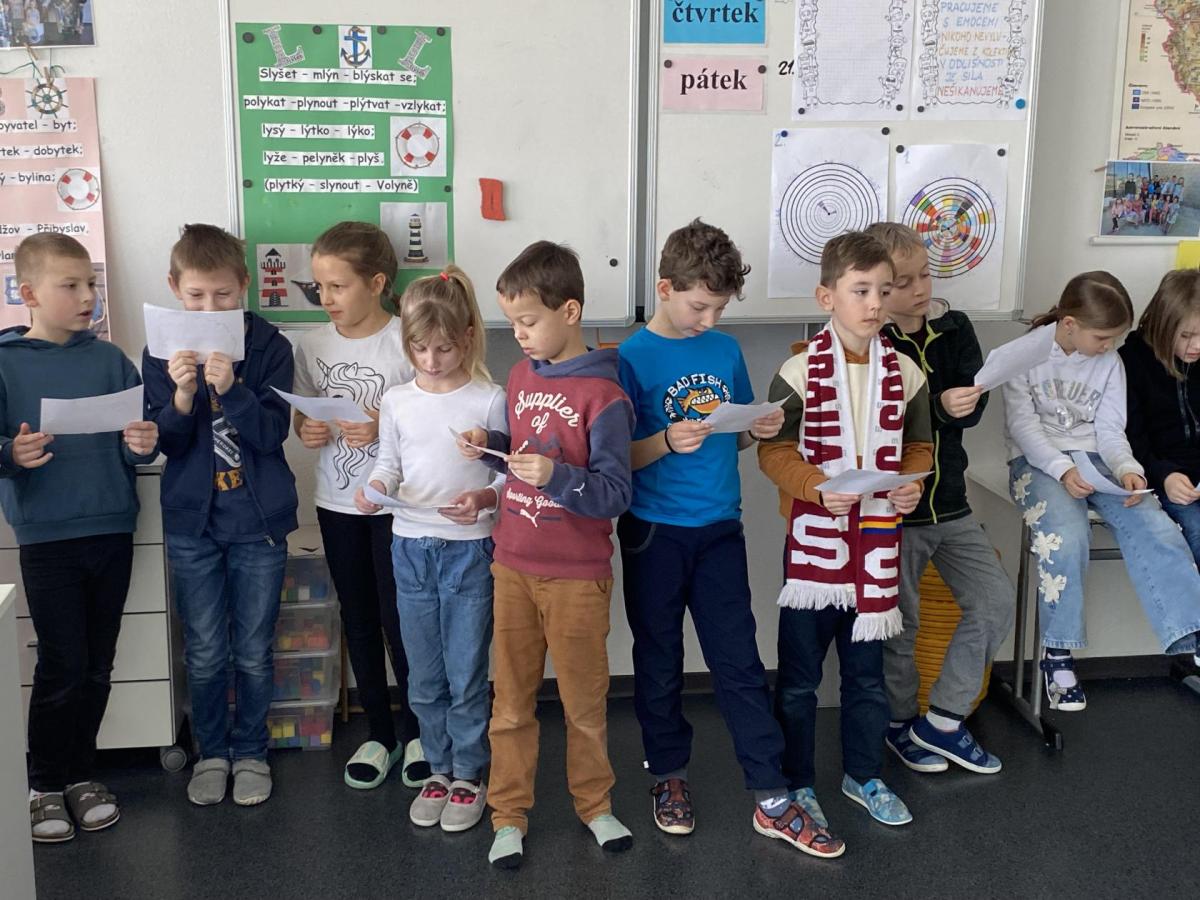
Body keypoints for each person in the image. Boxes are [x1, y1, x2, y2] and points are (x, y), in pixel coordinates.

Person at [618, 219, 842, 858]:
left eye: (719, 308)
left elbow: (734, 433)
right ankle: (668, 776)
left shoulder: (723, 350)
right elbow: (618, 458)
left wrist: (758, 428)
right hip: (654, 532)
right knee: (658, 660)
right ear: (665, 288)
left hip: (720, 527)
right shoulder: (631, 358)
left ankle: (771, 795)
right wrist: (666, 439)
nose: (710, 319)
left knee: (739, 661)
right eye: (699, 306)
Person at [457, 241, 634, 869]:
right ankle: (508, 815)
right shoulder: (519, 376)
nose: (520, 335)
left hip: (577, 577)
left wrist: (556, 477)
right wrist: (488, 442)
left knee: (583, 705)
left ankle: (596, 806)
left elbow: (615, 493)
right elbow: (520, 451)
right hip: (512, 564)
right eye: (513, 323)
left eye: (528, 322)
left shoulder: (605, 395)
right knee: (510, 704)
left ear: (570, 310)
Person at [759, 231, 933, 835]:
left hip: (876, 548)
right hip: (813, 553)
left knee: (866, 676)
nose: (875, 303)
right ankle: (798, 783)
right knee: (799, 681)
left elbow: (918, 447)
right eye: (861, 290)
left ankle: (864, 775)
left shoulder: (906, 371)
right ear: (827, 296)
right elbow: (775, 451)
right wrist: (815, 487)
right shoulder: (797, 371)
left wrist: (910, 484)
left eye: (883, 290)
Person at [3, 234, 158, 842]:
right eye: (70, 285)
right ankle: (43, 784)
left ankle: (80, 774)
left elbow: (136, 445)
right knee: (62, 664)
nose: (87, 296)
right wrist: (11, 453)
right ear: (29, 292)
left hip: (112, 527)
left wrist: (141, 444)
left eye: (90, 283)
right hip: (47, 536)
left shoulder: (111, 361)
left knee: (97, 665)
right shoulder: (7, 362)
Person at [143, 224, 298, 805]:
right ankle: (212, 751)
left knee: (254, 649)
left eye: (223, 295)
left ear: (244, 285)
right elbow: (165, 442)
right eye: (196, 296)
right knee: (205, 649)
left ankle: (251, 751)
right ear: (175, 289)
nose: (210, 308)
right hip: (194, 525)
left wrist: (232, 388)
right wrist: (182, 397)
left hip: (258, 524)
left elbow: (270, 434)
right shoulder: (160, 349)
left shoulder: (271, 347)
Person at [1004, 271, 1200, 710]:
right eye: (1102, 337)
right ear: (1070, 324)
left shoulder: (1110, 361)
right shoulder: (1025, 355)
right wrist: (1061, 470)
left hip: (1099, 461)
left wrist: (1129, 469)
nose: (1109, 346)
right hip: (1037, 463)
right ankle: (1058, 652)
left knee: (1154, 523)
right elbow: (1023, 427)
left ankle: (1190, 631)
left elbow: (1111, 429)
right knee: (1067, 534)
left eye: (1114, 338)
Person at [356, 265, 505, 833]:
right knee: (423, 673)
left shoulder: (489, 399)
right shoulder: (397, 401)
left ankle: (468, 772)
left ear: (467, 336)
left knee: (466, 671)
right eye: (420, 349)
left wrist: (484, 498)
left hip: (469, 551)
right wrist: (374, 489)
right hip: (410, 546)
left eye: (443, 348)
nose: (432, 360)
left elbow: (507, 475)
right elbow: (389, 464)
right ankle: (437, 769)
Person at [868, 222, 1012, 775]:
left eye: (925, 276)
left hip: (950, 502)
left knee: (993, 601)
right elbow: (875, 423)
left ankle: (943, 722)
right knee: (900, 626)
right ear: (878, 288)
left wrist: (962, 405)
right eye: (903, 283)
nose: (920, 290)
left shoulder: (955, 327)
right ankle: (899, 725)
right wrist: (935, 407)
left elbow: (972, 407)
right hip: (895, 508)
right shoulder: (872, 340)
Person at [292, 222, 428, 791]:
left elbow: (433, 421)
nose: (326, 299)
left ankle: (419, 731)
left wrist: (381, 427)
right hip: (336, 502)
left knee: (404, 621)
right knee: (359, 618)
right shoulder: (312, 345)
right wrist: (306, 430)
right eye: (319, 287)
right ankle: (380, 733)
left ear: (376, 284)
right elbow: (303, 416)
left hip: (399, 507)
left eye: (338, 286)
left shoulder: (407, 340)